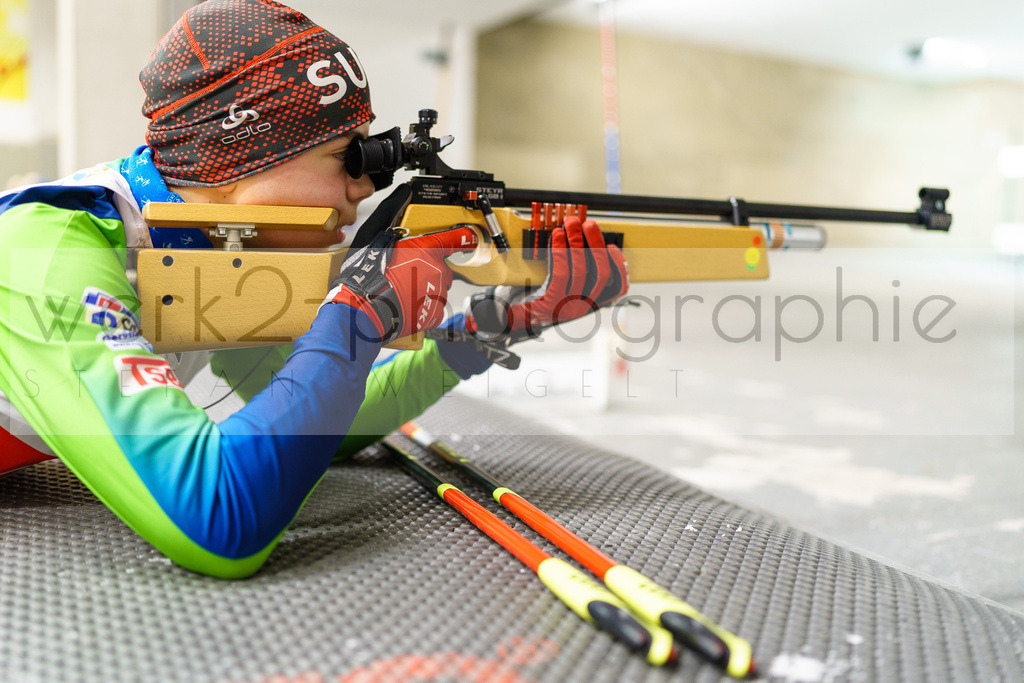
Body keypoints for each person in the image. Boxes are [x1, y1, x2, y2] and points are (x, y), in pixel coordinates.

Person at [0, 0, 628, 578]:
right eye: (344, 158)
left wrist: (486, 332)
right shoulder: (50, 246)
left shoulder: (219, 248)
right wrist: (358, 313)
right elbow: (218, 524)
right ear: (243, 155)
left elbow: (330, 422)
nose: (365, 186)